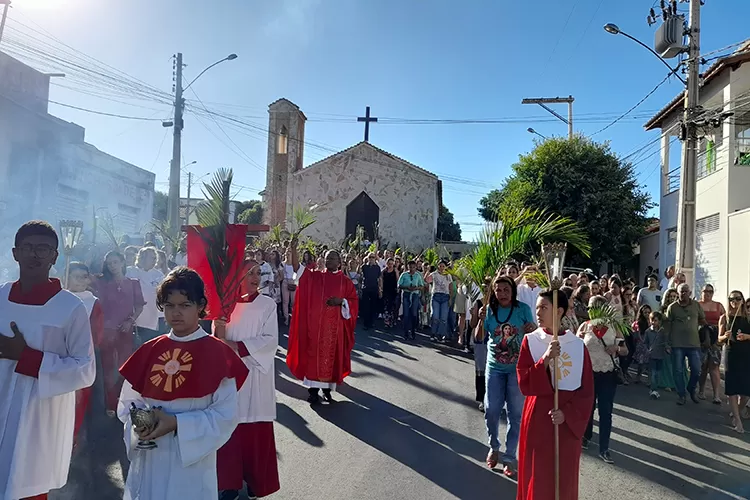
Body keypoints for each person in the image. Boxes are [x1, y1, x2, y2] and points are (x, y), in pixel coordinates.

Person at [117, 267, 248, 500]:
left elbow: (225, 415)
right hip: (151, 459)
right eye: (169, 305)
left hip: (190, 463)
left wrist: (177, 423)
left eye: (185, 305)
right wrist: (138, 425)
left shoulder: (218, 353)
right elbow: (128, 403)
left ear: (200, 306)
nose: (176, 313)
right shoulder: (150, 350)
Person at [0, 221, 96, 500]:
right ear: (15, 253)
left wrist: (27, 357)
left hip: (38, 417)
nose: (35, 255)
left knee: (26, 487)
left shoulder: (70, 307)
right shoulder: (0, 297)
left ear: (55, 256)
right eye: (28, 248)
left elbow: (85, 369)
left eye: (43, 249)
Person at [516, 290, 594, 500]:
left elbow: (586, 391)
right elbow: (524, 382)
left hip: (565, 424)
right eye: (537, 307)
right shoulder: (530, 341)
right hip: (538, 420)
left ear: (558, 311)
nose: (538, 312)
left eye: (544, 307)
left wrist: (567, 414)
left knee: (564, 479)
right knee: (537, 476)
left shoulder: (578, 346)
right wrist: (545, 358)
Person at [215, 260, 281, 499]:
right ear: (236, 276)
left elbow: (270, 340)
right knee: (230, 428)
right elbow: (217, 341)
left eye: (257, 272)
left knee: (255, 430)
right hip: (231, 375)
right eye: (249, 272)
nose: (255, 277)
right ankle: (229, 484)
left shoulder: (267, 305)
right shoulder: (224, 304)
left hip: (256, 375)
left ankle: (257, 482)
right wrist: (218, 327)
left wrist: (237, 346)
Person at [477, 275, 536, 476]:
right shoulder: (490, 311)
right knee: (491, 409)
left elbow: (535, 334)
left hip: (518, 369)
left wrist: (532, 329)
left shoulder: (523, 310)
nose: (502, 294)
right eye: (499, 290)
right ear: (494, 292)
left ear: (512, 291)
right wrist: (478, 318)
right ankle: (494, 446)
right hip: (494, 368)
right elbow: (478, 337)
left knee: (515, 414)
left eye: (506, 290)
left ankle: (510, 457)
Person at [287, 241, 359, 405]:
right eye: (327, 258)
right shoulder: (316, 276)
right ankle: (312, 392)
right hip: (317, 328)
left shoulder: (345, 281)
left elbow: (353, 301)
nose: (330, 261)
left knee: (332, 359)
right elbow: (298, 269)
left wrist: (341, 301)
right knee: (314, 358)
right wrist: (293, 249)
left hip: (335, 329)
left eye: (333, 258)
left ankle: (327, 391)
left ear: (339, 262)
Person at [92, 250, 145, 415]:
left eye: (115, 262)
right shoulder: (101, 282)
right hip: (106, 332)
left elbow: (139, 305)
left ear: (123, 262)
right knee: (108, 369)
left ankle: (125, 402)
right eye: (109, 263)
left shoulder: (133, 283)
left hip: (125, 331)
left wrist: (130, 321)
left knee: (125, 367)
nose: (112, 266)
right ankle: (111, 405)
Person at [578, 295, 628, 464]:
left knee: (605, 412)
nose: (591, 311)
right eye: (590, 307)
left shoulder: (614, 327)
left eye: (595, 307)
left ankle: (604, 448)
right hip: (589, 374)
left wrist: (616, 347)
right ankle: (586, 436)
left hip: (608, 373)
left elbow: (625, 350)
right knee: (588, 408)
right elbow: (576, 347)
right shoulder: (585, 326)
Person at [66, 262, 104, 445]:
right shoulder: (59, 298)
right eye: (76, 276)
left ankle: (73, 438)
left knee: (78, 400)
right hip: (59, 354)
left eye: (84, 276)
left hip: (81, 356)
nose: (80, 280)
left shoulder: (92, 301)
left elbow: (97, 333)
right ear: (67, 277)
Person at [665, 283, 706, 405]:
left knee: (697, 369)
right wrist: (667, 343)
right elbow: (667, 325)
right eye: (681, 291)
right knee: (678, 371)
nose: (683, 294)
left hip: (694, 344)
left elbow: (703, 320)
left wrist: (707, 335)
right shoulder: (672, 307)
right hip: (677, 344)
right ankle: (681, 395)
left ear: (690, 293)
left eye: (685, 291)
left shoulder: (696, 305)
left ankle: (691, 388)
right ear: (678, 293)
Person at [719, 291, 750, 433]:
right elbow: (719, 339)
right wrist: (724, 336)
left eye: (738, 299)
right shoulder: (724, 318)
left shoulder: (748, 317)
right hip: (731, 353)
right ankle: (737, 420)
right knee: (732, 388)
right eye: (732, 299)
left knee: (746, 390)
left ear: (742, 301)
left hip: (746, 354)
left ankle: (738, 409)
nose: (735, 301)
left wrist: (747, 336)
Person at [127, 246, 165, 344]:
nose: (154, 260)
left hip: (153, 318)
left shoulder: (158, 275)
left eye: (155, 258)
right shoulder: (129, 272)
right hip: (134, 317)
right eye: (152, 258)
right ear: (142, 257)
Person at [697, 283, 725, 404]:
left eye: (710, 291)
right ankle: (701, 390)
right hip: (701, 338)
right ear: (701, 292)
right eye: (705, 291)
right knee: (703, 366)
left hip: (715, 340)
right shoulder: (697, 305)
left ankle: (716, 395)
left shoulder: (719, 306)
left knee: (714, 366)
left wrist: (721, 338)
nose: (707, 293)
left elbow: (725, 320)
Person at [426, 260, 454, 342]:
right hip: (436, 296)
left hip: (445, 296)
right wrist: (428, 270)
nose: (441, 268)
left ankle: (441, 334)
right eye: (440, 266)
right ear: (438, 266)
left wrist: (451, 298)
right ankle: (433, 333)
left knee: (444, 318)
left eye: (443, 266)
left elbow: (451, 286)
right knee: (435, 316)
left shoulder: (448, 275)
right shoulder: (434, 274)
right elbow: (426, 280)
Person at [398, 260, 425, 340]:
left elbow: (421, 286)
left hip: (415, 295)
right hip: (406, 294)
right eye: (410, 267)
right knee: (406, 314)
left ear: (415, 267)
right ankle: (406, 332)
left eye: (413, 267)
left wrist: (416, 288)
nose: (412, 269)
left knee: (414, 314)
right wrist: (406, 287)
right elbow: (399, 285)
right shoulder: (404, 275)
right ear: (408, 267)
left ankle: (413, 330)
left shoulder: (417, 276)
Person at [645, 311, 667, 399]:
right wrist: (647, 350)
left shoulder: (662, 332)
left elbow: (665, 342)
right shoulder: (648, 332)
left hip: (660, 355)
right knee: (653, 373)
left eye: (656, 320)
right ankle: (653, 389)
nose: (654, 322)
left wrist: (667, 348)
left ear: (660, 321)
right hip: (652, 355)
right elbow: (645, 342)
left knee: (658, 373)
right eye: (652, 320)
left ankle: (655, 388)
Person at [360, 253, 382, 330]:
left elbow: (379, 279)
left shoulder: (377, 268)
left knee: (373, 306)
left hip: (374, 288)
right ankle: (366, 323)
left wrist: (380, 289)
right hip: (366, 288)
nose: (371, 259)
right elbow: (359, 275)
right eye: (370, 257)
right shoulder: (364, 267)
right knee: (366, 306)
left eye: (373, 257)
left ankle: (371, 322)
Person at [631, 305, 652, 383]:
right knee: (641, 362)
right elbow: (638, 333)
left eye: (648, 312)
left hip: (650, 343)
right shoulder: (639, 323)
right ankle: (638, 376)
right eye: (645, 312)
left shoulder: (652, 322)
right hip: (641, 343)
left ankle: (650, 379)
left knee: (650, 363)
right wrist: (642, 341)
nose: (647, 314)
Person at [382, 258, 399, 328]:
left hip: (393, 291)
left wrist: (398, 289)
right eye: (389, 264)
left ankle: (392, 321)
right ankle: (386, 322)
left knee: (392, 307)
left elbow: (398, 280)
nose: (390, 265)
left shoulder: (395, 271)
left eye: (391, 264)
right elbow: (381, 279)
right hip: (386, 290)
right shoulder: (384, 271)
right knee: (386, 307)